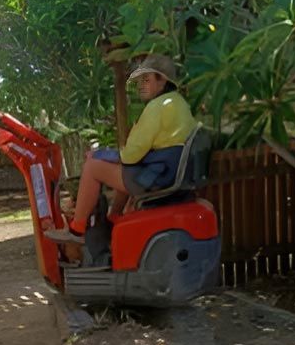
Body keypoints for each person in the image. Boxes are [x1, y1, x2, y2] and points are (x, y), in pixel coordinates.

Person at [44, 54, 196, 244]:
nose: (141, 85)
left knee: (93, 167)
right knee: (119, 171)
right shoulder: (179, 103)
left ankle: (77, 230)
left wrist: (101, 154)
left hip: (157, 177)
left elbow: (131, 156)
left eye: (146, 80)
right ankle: (114, 219)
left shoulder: (157, 107)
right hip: (169, 173)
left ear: (162, 80)